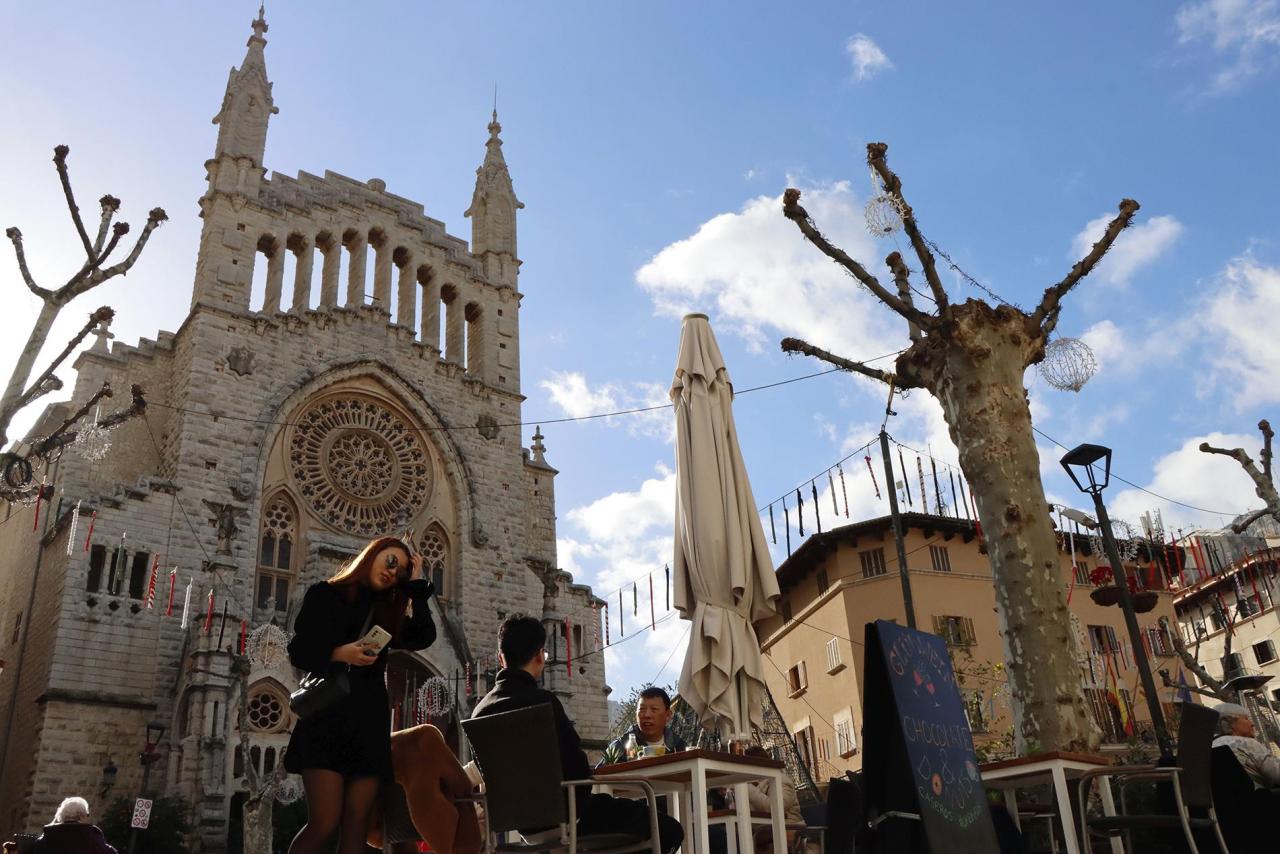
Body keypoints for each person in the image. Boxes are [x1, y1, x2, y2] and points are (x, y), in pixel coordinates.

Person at [472, 615, 684, 854]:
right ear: (540, 656)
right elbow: (577, 769)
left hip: (522, 829)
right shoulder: (543, 702)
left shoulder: (479, 712)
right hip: (573, 819)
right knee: (668, 828)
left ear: (501, 658)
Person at [285, 536, 438, 854]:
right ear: (373, 554)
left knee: (357, 827)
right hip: (326, 719)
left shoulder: (387, 613)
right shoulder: (325, 594)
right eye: (391, 561)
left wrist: (416, 584)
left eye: (400, 572)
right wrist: (341, 653)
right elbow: (299, 650)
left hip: (367, 725)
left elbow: (424, 635)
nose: (392, 572)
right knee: (324, 823)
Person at [598, 687, 687, 764]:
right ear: (636, 714)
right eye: (642, 709)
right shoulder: (619, 747)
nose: (647, 715)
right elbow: (599, 779)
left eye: (654, 709)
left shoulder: (679, 747)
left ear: (668, 715)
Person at [1212, 702, 1280, 790]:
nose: (1252, 724)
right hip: (1261, 800)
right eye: (1246, 719)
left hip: (1226, 802)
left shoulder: (1209, 748)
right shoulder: (1245, 743)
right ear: (1230, 722)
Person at [29, 797, 117, 853]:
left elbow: (37, 849)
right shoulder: (91, 832)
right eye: (87, 815)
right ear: (81, 815)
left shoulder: (49, 833)